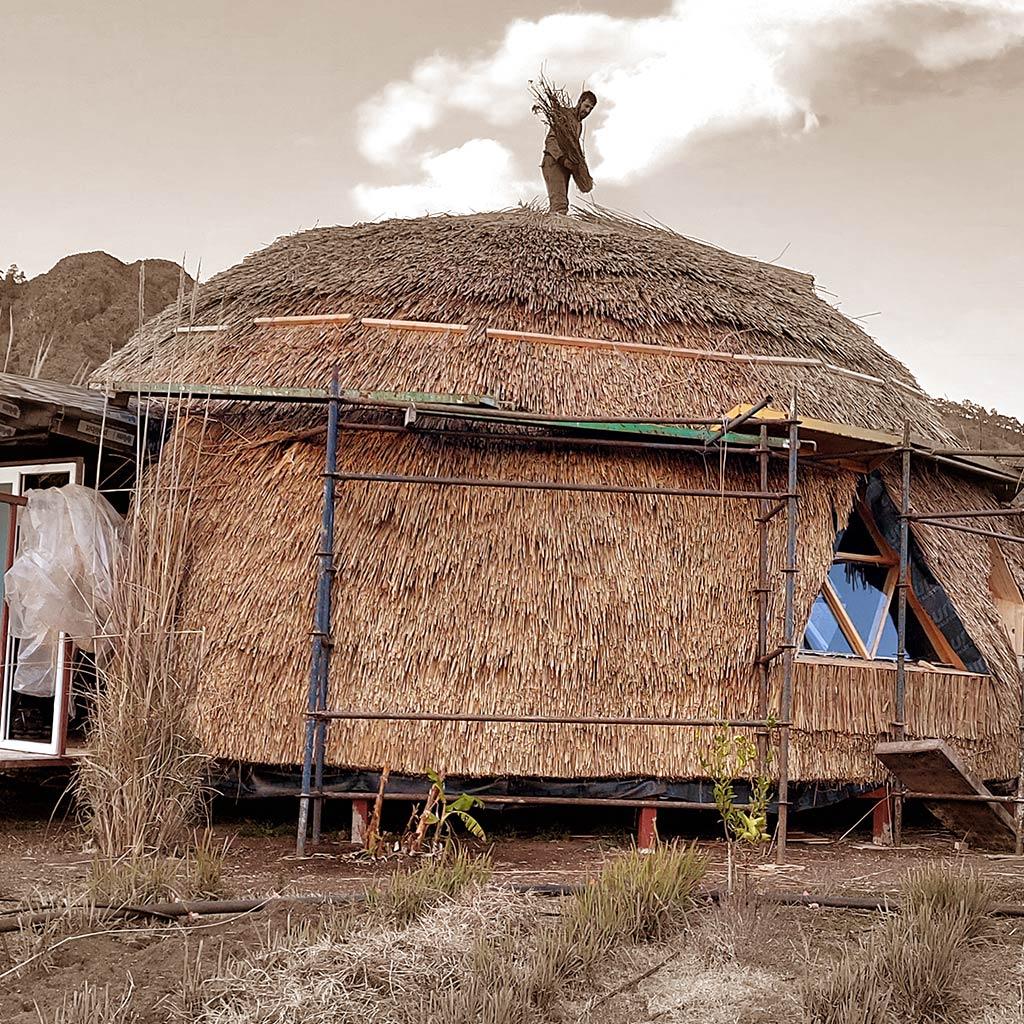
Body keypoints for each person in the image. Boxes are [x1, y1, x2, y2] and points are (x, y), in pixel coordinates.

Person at [541, 90, 596, 214]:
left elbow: (574, 148)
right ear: (580, 102)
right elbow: (551, 140)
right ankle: (552, 231)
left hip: (565, 166)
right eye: (586, 106)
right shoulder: (564, 115)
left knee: (563, 204)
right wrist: (562, 159)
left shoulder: (579, 125)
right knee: (560, 205)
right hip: (554, 161)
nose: (587, 111)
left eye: (590, 109)